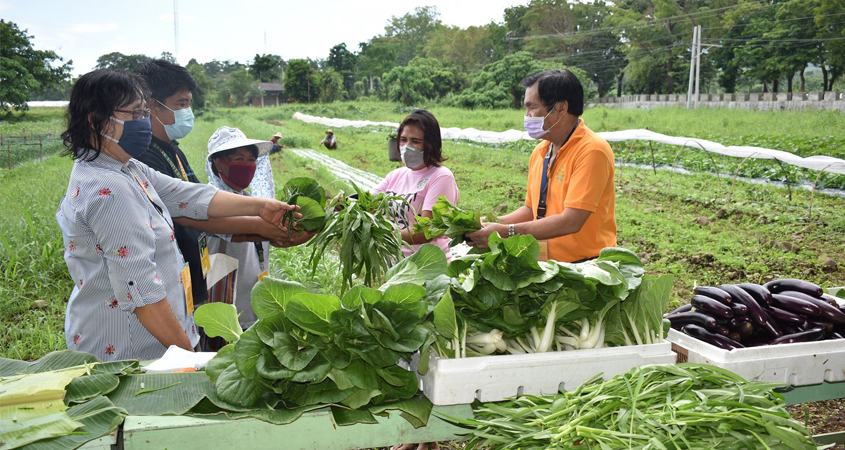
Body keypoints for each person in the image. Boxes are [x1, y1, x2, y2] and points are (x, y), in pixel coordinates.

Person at [56, 69, 297, 361]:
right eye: (134, 114)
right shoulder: (110, 188)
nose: (143, 121)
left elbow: (185, 195)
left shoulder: (127, 168)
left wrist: (260, 206)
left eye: (145, 111)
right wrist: (188, 357)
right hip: (133, 349)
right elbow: (141, 291)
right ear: (97, 122)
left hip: (160, 337)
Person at [133, 59, 288, 329]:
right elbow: (190, 214)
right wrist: (266, 223)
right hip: (164, 285)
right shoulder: (145, 157)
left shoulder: (173, 151)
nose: (188, 111)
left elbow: (200, 205)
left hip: (192, 279)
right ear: (153, 105)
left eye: (189, 103)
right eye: (182, 104)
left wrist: (265, 222)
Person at [466, 68, 617, 263]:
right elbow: (532, 210)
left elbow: (571, 221)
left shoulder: (592, 151)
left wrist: (506, 231)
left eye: (532, 107)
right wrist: (493, 223)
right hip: (548, 265)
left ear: (561, 108)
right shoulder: (541, 151)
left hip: (586, 267)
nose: (527, 115)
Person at [204, 127, 315, 329]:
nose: (247, 165)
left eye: (251, 160)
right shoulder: (212, 201)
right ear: (219, 163)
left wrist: (320, 221)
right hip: (227, 304)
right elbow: (251, 232)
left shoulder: (249, 199)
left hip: (252, 301)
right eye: (239, 159)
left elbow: (283, 239)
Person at [371, 109, 459, 261]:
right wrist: (346, 204)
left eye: (415, 141)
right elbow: (368, 203)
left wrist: (385, 235)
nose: (407, 146)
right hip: (396, 267)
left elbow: (426, 231)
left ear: (430, 144)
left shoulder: (441, 177)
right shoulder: (396, 176)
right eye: (403, 140)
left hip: (426, 268)